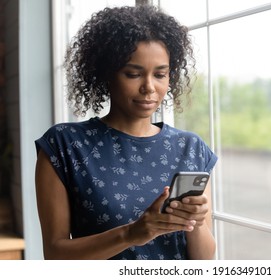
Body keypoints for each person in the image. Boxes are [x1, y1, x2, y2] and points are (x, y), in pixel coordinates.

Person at [34, 5, 218, 260]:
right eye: (133, 74)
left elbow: (204, 260)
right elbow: (55, 255)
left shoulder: (190, 147)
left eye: (160, 74)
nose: (149, 87)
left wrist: (195, 223)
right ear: (107, 74)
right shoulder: (64, 145)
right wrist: (133, 233)